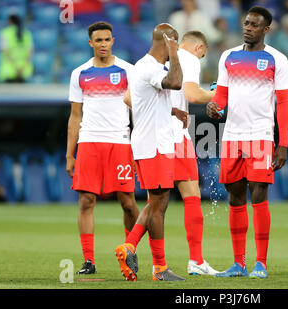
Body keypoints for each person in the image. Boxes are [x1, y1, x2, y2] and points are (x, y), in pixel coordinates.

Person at [207, 6, 288, 279]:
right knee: (235, 197)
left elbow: (283, 102)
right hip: (232, 136)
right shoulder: (227, 56)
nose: (248, 28)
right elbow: (221, 97)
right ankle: (238, 263)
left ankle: (261, 263)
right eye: (246, 23)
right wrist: (214, 109)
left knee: (259, 195)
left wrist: (283, 143)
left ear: (266, 29)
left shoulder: (277, 59)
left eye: (255, 25)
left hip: (261, 135)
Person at [114, 23, 187, 282]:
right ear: (168, 42)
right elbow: (176, 82)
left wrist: (172, 111)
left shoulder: (145, 68)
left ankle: (130, 246)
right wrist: (175, 54)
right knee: (158, 205)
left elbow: (142, 102)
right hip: (154, 146)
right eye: (174, 44)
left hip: (154, 143)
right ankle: (158, 267)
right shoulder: (150, 67)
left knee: (158, 202)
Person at [66, 21, 140, 275]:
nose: (103, 44)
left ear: (113, 41)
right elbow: (75, 116)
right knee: (86, 200)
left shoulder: (128, 71)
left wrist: (138, 149)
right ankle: (89, 261)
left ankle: (130, 251)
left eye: (107, 40)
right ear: (90, 43)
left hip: (120, 141)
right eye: (98, 40)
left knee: (128, 201)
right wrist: (69, 153)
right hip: (88, 142)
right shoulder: (80, 73)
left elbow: (137, 114)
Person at [170, 30, 219, 276]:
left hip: (150, 139)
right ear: (199, 47)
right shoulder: (188, 59)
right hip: (176, 137)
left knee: (155, 203)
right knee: (192, 195)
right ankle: (196, 261)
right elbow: (192, 94)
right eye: (202, 56)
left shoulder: (156, 59)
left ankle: (132, 246)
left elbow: (129, 99)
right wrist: (217, 94)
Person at [0, 14, 33, 83]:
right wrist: (22, 68)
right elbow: (30, 52)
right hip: (24, 71)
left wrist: (15, 67)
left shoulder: (5, 33)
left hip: (9, 71)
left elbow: (5, 52)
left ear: (10, 21)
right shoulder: (27, 33)